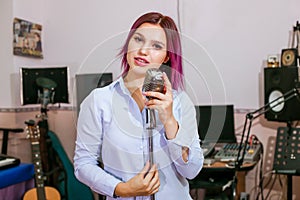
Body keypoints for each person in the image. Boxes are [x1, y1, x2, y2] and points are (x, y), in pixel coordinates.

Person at [74, 12, 204, 200]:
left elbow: (191, 170)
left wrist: (169, 119)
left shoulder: (181, 103)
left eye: (156, 46)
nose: (143, 51)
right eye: (138, 39)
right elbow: (83, 163)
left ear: (167, 57)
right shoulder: (99, 101)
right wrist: (121, 188)